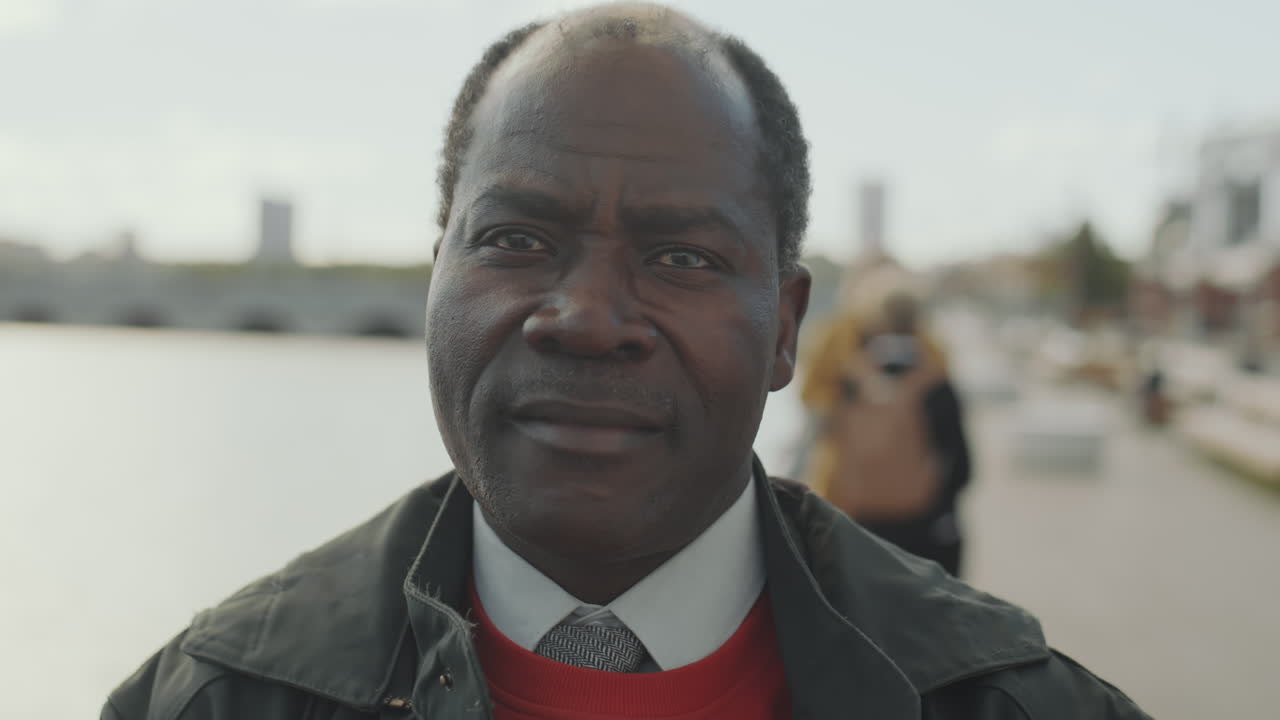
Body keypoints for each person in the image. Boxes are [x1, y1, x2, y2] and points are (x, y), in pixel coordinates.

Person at [103, 4, 1151, 719]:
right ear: (436, 281)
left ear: (784, 326)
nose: (587, 318)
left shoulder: (1007, 702)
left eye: (680, 256)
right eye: (515, 240)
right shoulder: (219, 696)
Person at [798, 265, 971, 576]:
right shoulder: (933, 361)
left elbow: (815, 413)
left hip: (846, 503)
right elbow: (959, 459)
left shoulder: (844, 363)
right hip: (919, 513)